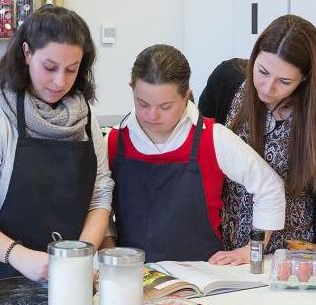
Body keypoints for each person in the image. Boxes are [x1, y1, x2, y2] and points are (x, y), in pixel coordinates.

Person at [0, 6, 114, 287]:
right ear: (27, 53)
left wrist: (79, 255)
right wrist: (21, 256)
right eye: (49, 67)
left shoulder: (85, 121)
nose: (60, 81)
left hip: (65, 281)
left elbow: (99, 197)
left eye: (71, 69)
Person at [199, 14, 316, 261]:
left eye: (284, 81)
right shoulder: (226, 81)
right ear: (255, 56)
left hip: (296, 249)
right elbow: (198, 144)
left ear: (306, 78)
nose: (268, 87)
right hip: (227, 245)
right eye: (263, 72)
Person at [104, 44, 285, 264]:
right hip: (133, 275)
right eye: (142, 103)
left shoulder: (214, 138)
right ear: (132, 88)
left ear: (186, 96)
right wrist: (109, 247)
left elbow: (269, 186)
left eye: (165, 106)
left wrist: (252, 249)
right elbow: (98, 204)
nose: (152, 115)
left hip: (202, 277)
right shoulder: (114, 141)